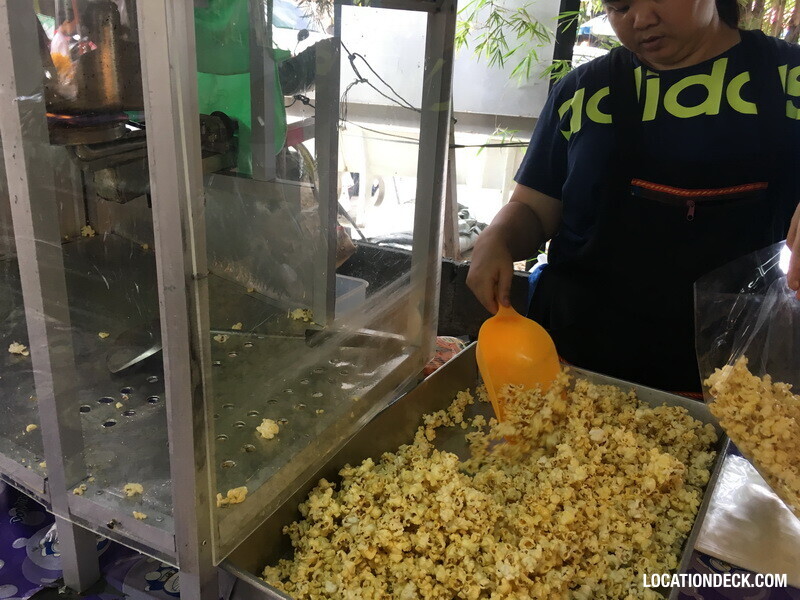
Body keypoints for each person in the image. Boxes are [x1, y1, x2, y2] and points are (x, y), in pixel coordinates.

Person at [466, 0, 800, 393]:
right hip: (575, 368)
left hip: (728, 384)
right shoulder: (583, 90)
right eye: (619, 6)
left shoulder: (789, 78)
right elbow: (533, 209)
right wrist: (499, 236)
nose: (641, 19)